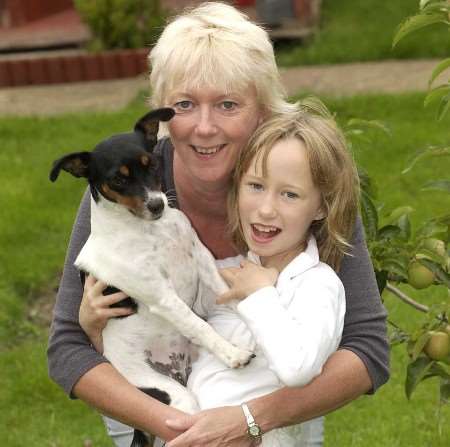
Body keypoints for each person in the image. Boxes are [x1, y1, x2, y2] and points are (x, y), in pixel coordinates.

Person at [47, 3, 389, 447]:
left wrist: (249, 420)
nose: (204, 128)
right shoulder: (122, 194)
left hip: (273, 412)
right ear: (160, 113)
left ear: (264, 110)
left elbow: (367, 348)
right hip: (151, 411)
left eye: (228, 104)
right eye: (185, 104)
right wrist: (187, 429)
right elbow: (67, 350)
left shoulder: (301, 190)